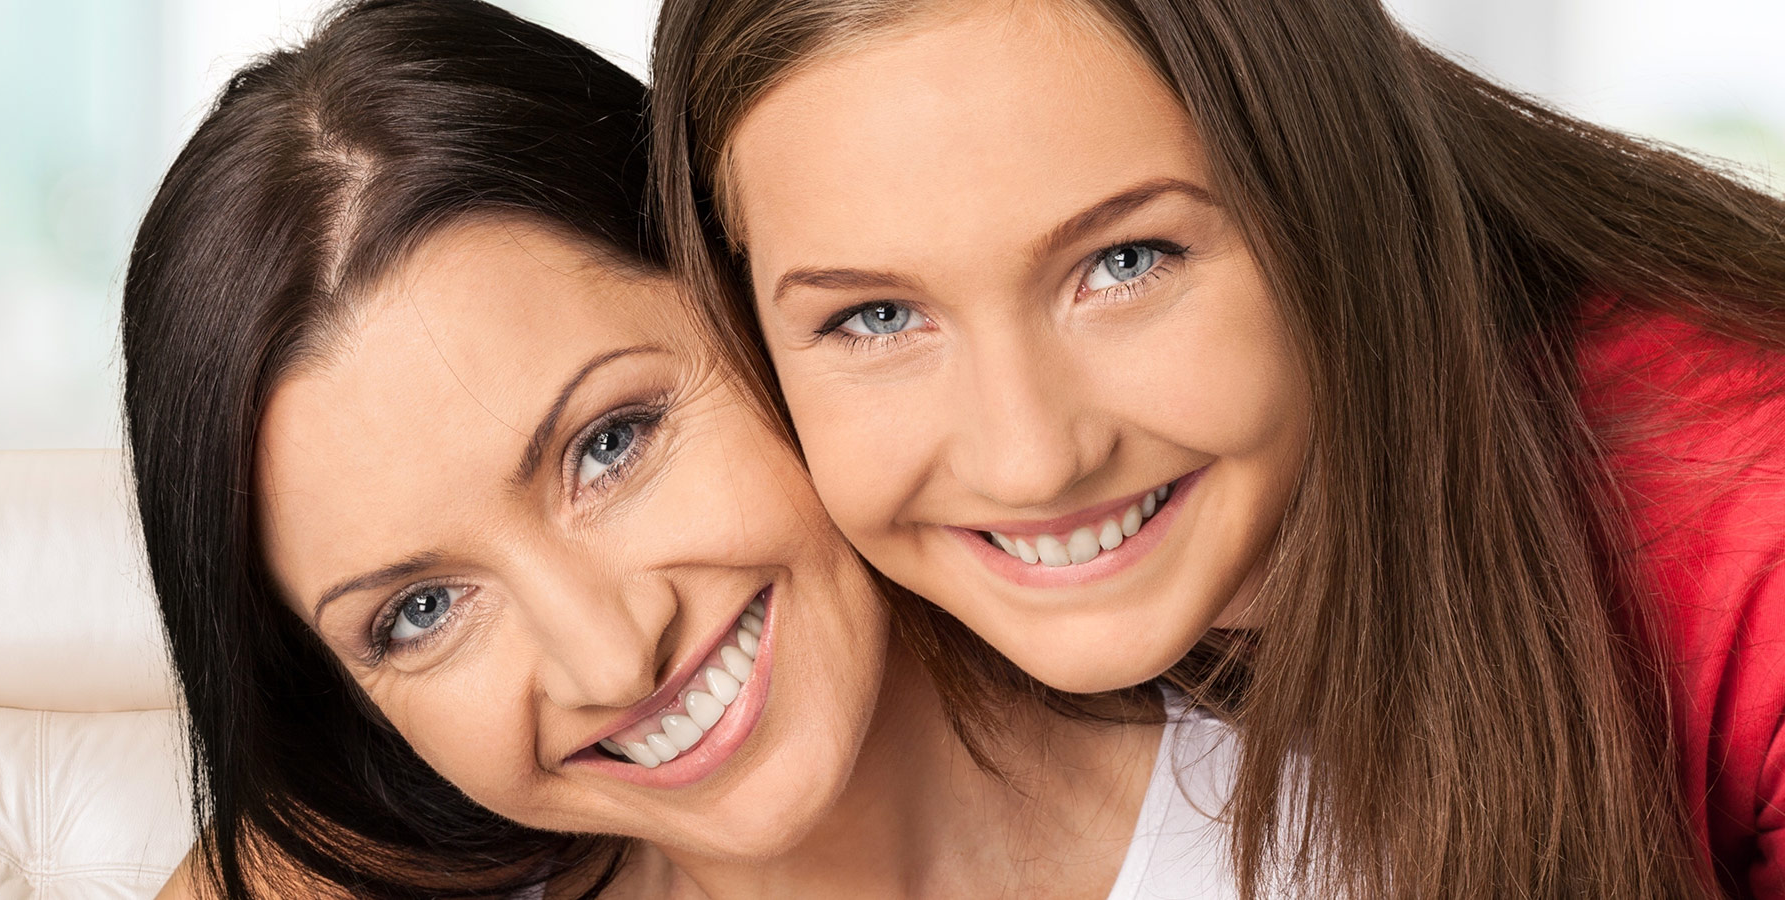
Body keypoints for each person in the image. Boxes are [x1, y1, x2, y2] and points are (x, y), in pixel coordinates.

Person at [648, 0, 1785, 896]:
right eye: (877, 320)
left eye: (1127, 261)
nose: (1031, 459)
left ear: (1323, 191)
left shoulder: (1753, 517)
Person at [124, 2, 1177, 898]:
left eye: (610, 444)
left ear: (748, 293)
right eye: (420, 612)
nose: (613, 660)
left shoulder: (1304, 821)